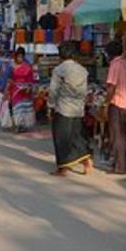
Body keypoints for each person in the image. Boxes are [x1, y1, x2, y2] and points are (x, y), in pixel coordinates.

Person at [48, 42, 93, 176]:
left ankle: (63, 168)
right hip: (78, 108)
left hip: (63, 107)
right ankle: (86, 159)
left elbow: (53, 91)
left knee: (61, 138)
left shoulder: (59, 70)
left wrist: (50, 105)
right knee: (76, 135)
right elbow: (84, 91)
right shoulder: (82, 70)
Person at [105, 41, 126, 175]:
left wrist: (106, 103)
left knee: (116, 136)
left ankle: (120, 166)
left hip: (117, 102)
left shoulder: (115, 65)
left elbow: (112, 86)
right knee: (122, 135)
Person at [6, 46, 37, 132]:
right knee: (16, 107)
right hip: (15, 90)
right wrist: (6, 89)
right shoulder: (11, 66)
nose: (20, 58)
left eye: (21, 57)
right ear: (16, 56)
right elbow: (9, 78)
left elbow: (31, 79)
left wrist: (29, 87)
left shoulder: (28, 66)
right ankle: (17, 125)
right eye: (18, 56)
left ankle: (24, 125)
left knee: (25, 108)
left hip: (26, 90)